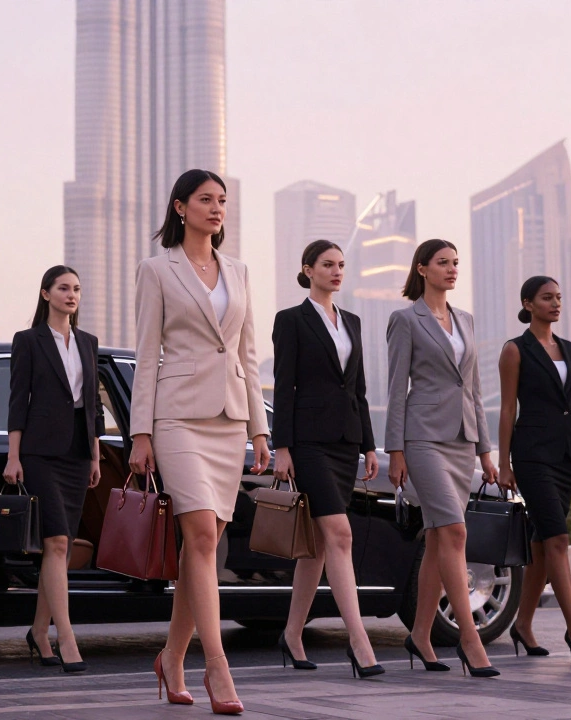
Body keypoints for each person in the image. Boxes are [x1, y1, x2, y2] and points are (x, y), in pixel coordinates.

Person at [129, 169, 270, 715]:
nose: (217, 209)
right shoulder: (156, 269)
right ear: (180, 207)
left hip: (229, 420)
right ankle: (218, 666)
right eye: (206, 200)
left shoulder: (238, 271)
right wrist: (141, 432)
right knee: (202, 538)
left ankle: (171, 656)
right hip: (178, 418)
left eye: (223, 201)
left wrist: (259, 428)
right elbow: (146, 356)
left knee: (202, 546)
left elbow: (247, 356)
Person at [385, 238, 501, 678]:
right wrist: (395, 449)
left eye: (456, 263)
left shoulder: (465, 319)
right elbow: (397, 388)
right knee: (454, 531)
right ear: (422, 269)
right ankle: (469, 639)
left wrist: (485, 450)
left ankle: (419, 635)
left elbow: (472, 391)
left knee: (437, 540)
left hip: (461, 442)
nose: (452, 270)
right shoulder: (405, 320)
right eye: (443, 263)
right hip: (423, 439)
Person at [272, 240, 383, 679]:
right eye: (328, 265)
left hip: (346, 442)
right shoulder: (291, 320)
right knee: (340, 533)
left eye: (341, 265)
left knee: (317, 548)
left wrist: (370, 445)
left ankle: (292, 634)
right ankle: (359, 640)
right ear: (308, 270)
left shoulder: (352, 321)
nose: (337, 272)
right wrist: (282, 447)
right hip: (308, 443)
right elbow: (283, 385)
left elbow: (358, 389)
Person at [3, 265, 101, 674]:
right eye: (64, 288)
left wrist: (95, 455)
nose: (71, 295)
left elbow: (93, 404)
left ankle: (40, 631)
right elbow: (16, 400)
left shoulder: (89, 342)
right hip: (40, 454)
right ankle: (67, 638)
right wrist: (14, 455)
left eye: (77, 289)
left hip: (78, 454)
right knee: (58, 541)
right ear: (46, 294)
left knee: (57, 549)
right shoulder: (28, 341)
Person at [497, 276, 571, 664]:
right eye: (547, 298)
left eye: (558, 297)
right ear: (528, 303)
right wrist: (504, 463)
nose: (556, 303)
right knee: (557, 539)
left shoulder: (569, 349)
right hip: (531, 455)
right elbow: (508, 409)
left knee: (542, 545)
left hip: (564, 456)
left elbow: (568, 406)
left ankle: (522, 625)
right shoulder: (515, 349)